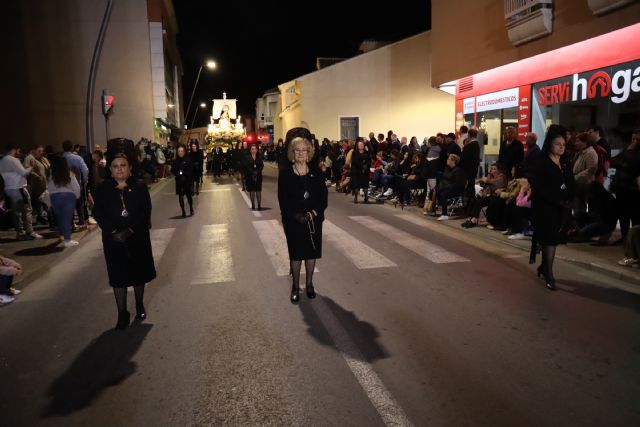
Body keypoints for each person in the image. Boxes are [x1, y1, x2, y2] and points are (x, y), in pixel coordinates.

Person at [93, 152, 156, 329]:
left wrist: (130, 230)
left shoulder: (140, 186)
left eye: (123, 166)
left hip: (137, 237)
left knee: (138, 274)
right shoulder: (102, 188)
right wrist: (114, 231)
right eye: (115, 166)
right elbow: (98, 213)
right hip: (114, 240)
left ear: (129, 169)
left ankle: (139, 304)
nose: (119, 169)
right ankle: (122, 313)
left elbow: (145, 211)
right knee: (118, 277)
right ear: (110, 170)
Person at [278, 128, 328, 304]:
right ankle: (295, 286)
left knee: (311, 253)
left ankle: (309, 284)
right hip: (294, 221)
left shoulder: (317, 174)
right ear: (292, 153)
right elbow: (283, 201)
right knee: (296, 254)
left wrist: (314, 214)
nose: (300, 153)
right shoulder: (285, 174)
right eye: (297, 150)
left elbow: (323, 199)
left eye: (304, 150)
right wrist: (296, 216)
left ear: (309, 153)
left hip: (313, 221)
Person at [531, 129, 574, 290]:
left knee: (554, 239)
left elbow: (571, 181)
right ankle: (549, 273)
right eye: (558, 144)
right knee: (550, 241)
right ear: (550, 144)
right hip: (546, 208)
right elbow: (539, 187)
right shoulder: (542, 162)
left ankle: (543, 267)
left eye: (563, 144)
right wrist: (556, 200)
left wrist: (570, 198)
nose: (561, 147)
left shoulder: (565, 162)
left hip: (562, 208)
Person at [47, 154, 81, 247]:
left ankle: (62, 235)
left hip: (54, 197)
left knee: (60, 217)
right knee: (67, 218)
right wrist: (77, 196)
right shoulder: (69, 173)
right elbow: (76, 187)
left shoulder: (51, 173)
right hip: (68, 197)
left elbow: (49, 187)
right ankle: (67, 240)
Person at [172, 145, 195, 217]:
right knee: (181, 197)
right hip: (179, 181)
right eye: (179, 151)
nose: (180, 153)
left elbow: (190, 170)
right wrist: (179, 174)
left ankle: (191, 208)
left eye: (182, 151)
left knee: (189, 196)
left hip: (187, 181)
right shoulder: (175, 161)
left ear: (184, 152)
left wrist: (183, 173)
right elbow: (174, 170)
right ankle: (183, 211)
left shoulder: (188, 160)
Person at [244, 143, 264, 210]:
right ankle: (253, 204)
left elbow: (262, 165)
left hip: (258, 176)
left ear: (257, 150)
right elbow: (247, 166)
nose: (254, 150)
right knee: (252, 190)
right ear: (250, 150)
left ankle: (259, 205)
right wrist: (252, 172)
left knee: (258, 190)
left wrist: (257, 171)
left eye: (255, 149)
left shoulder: (259, 157)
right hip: (250, 176)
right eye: (252, 149)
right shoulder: (247, 157)